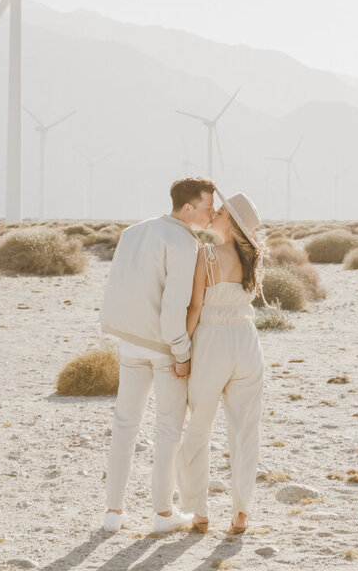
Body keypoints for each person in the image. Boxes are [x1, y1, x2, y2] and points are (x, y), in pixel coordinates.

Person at [99, 176, 216, 533]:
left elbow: (117, 287)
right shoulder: (183, 242)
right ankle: (163, 514)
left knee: (124, 427)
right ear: (186, 208)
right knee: (168, 431)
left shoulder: (133, 232)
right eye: (207, 208)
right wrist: (182, 352)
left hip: (129, 342)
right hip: (164, 349)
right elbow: (173, 306)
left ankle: (112, 514)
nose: (212, 215)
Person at [178, 190, 265, 535]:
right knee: (246, 430)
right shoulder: (252, 258)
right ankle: (241, 512)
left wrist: (181, 351)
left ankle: (198, 510)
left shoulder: (206, 254)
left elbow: (195, 308)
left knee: (198, 426)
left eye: (220, 210)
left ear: (229, 218)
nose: (213, 212)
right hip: (246, 341)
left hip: (213, 341)